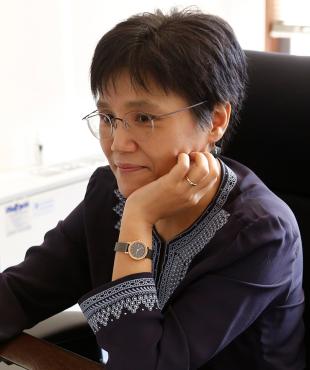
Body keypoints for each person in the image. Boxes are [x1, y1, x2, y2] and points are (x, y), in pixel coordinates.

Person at [0, 7, 305, 370]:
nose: (118, 144)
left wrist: (138, 218)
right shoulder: (107, 193)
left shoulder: (261, 234)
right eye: (108, 118)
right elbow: (19, 292)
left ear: (216, 121)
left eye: (144, 118)